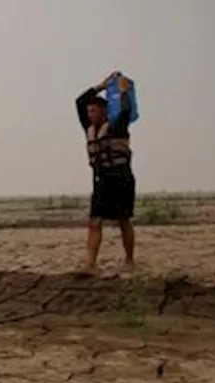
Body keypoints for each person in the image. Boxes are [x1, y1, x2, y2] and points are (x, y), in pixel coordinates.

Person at [75, 72, 136, 275]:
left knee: (123, 220)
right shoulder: (89, 128)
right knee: (94, 222)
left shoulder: (117, 126)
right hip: (101, 181)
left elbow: (126, 110)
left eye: (93, 110)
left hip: (121, 179)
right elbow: (80, 101)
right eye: (88, 111)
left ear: (103, 111)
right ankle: (90, 264)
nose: (89, 114)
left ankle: (129, 260)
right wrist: (101, 85)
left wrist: (124, 91)